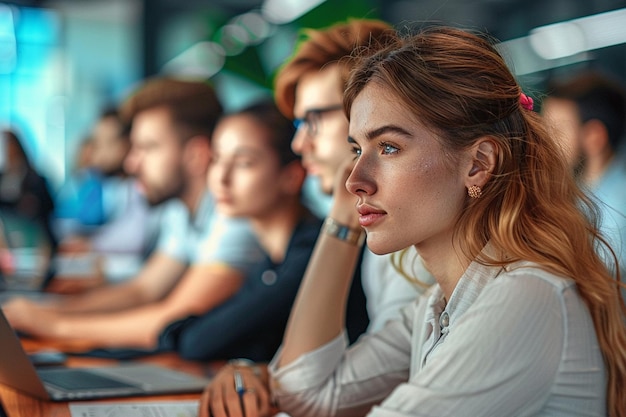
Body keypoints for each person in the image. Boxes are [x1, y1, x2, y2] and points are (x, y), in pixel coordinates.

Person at [263, 26, 626, 416]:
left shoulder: (525, 297)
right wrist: (341, 219)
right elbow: (304, 393)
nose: (353, 179)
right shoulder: (436, 304)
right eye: (356, 148)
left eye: (388, 147)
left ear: (478, 164)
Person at [200, 19, 432, 417]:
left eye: (313, 121)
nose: (298, 143)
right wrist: (252, 372)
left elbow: (339, 391)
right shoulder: (385, 239)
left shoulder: (415, 248)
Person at [2, 77, 263, 353]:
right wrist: (48, 310)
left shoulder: (235, 215)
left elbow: (173, 318)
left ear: (195, 155)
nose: (131, 162)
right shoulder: (182, 211)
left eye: (148, 147)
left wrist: (53, 324)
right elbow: (143, 289)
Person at [159, 100, 322, 362]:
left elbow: (198, 342)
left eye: (244, 163)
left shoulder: (311, 252)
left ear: (292, 177)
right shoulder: (272, 259)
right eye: (217, 159)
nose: (221, 177)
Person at [53, 108, 160, 283]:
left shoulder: (146, 188)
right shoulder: (118, 187)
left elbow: (135, 238)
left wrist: (90, 245)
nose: (95, 154)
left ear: (125, 144)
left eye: (103, 143)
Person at [542, 71, 626, 278]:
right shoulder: (583, 191)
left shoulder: (617, 210)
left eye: (557, 131)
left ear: (595, 137)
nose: (546, 142)